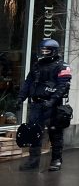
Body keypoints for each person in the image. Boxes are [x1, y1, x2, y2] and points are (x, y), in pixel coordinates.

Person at [15, 39, 72, 171]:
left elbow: (63, 86)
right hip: (36, 104)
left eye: (46, 51)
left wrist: (52, 101)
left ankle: (56, 160)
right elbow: (28, 83)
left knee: (55, 133)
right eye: (42, 50)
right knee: (33, 132)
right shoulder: (37, 65)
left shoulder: (62, 66)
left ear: (53, 51)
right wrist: (20, 98)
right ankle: (33, 160)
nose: (43, 53)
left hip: (53, 105)